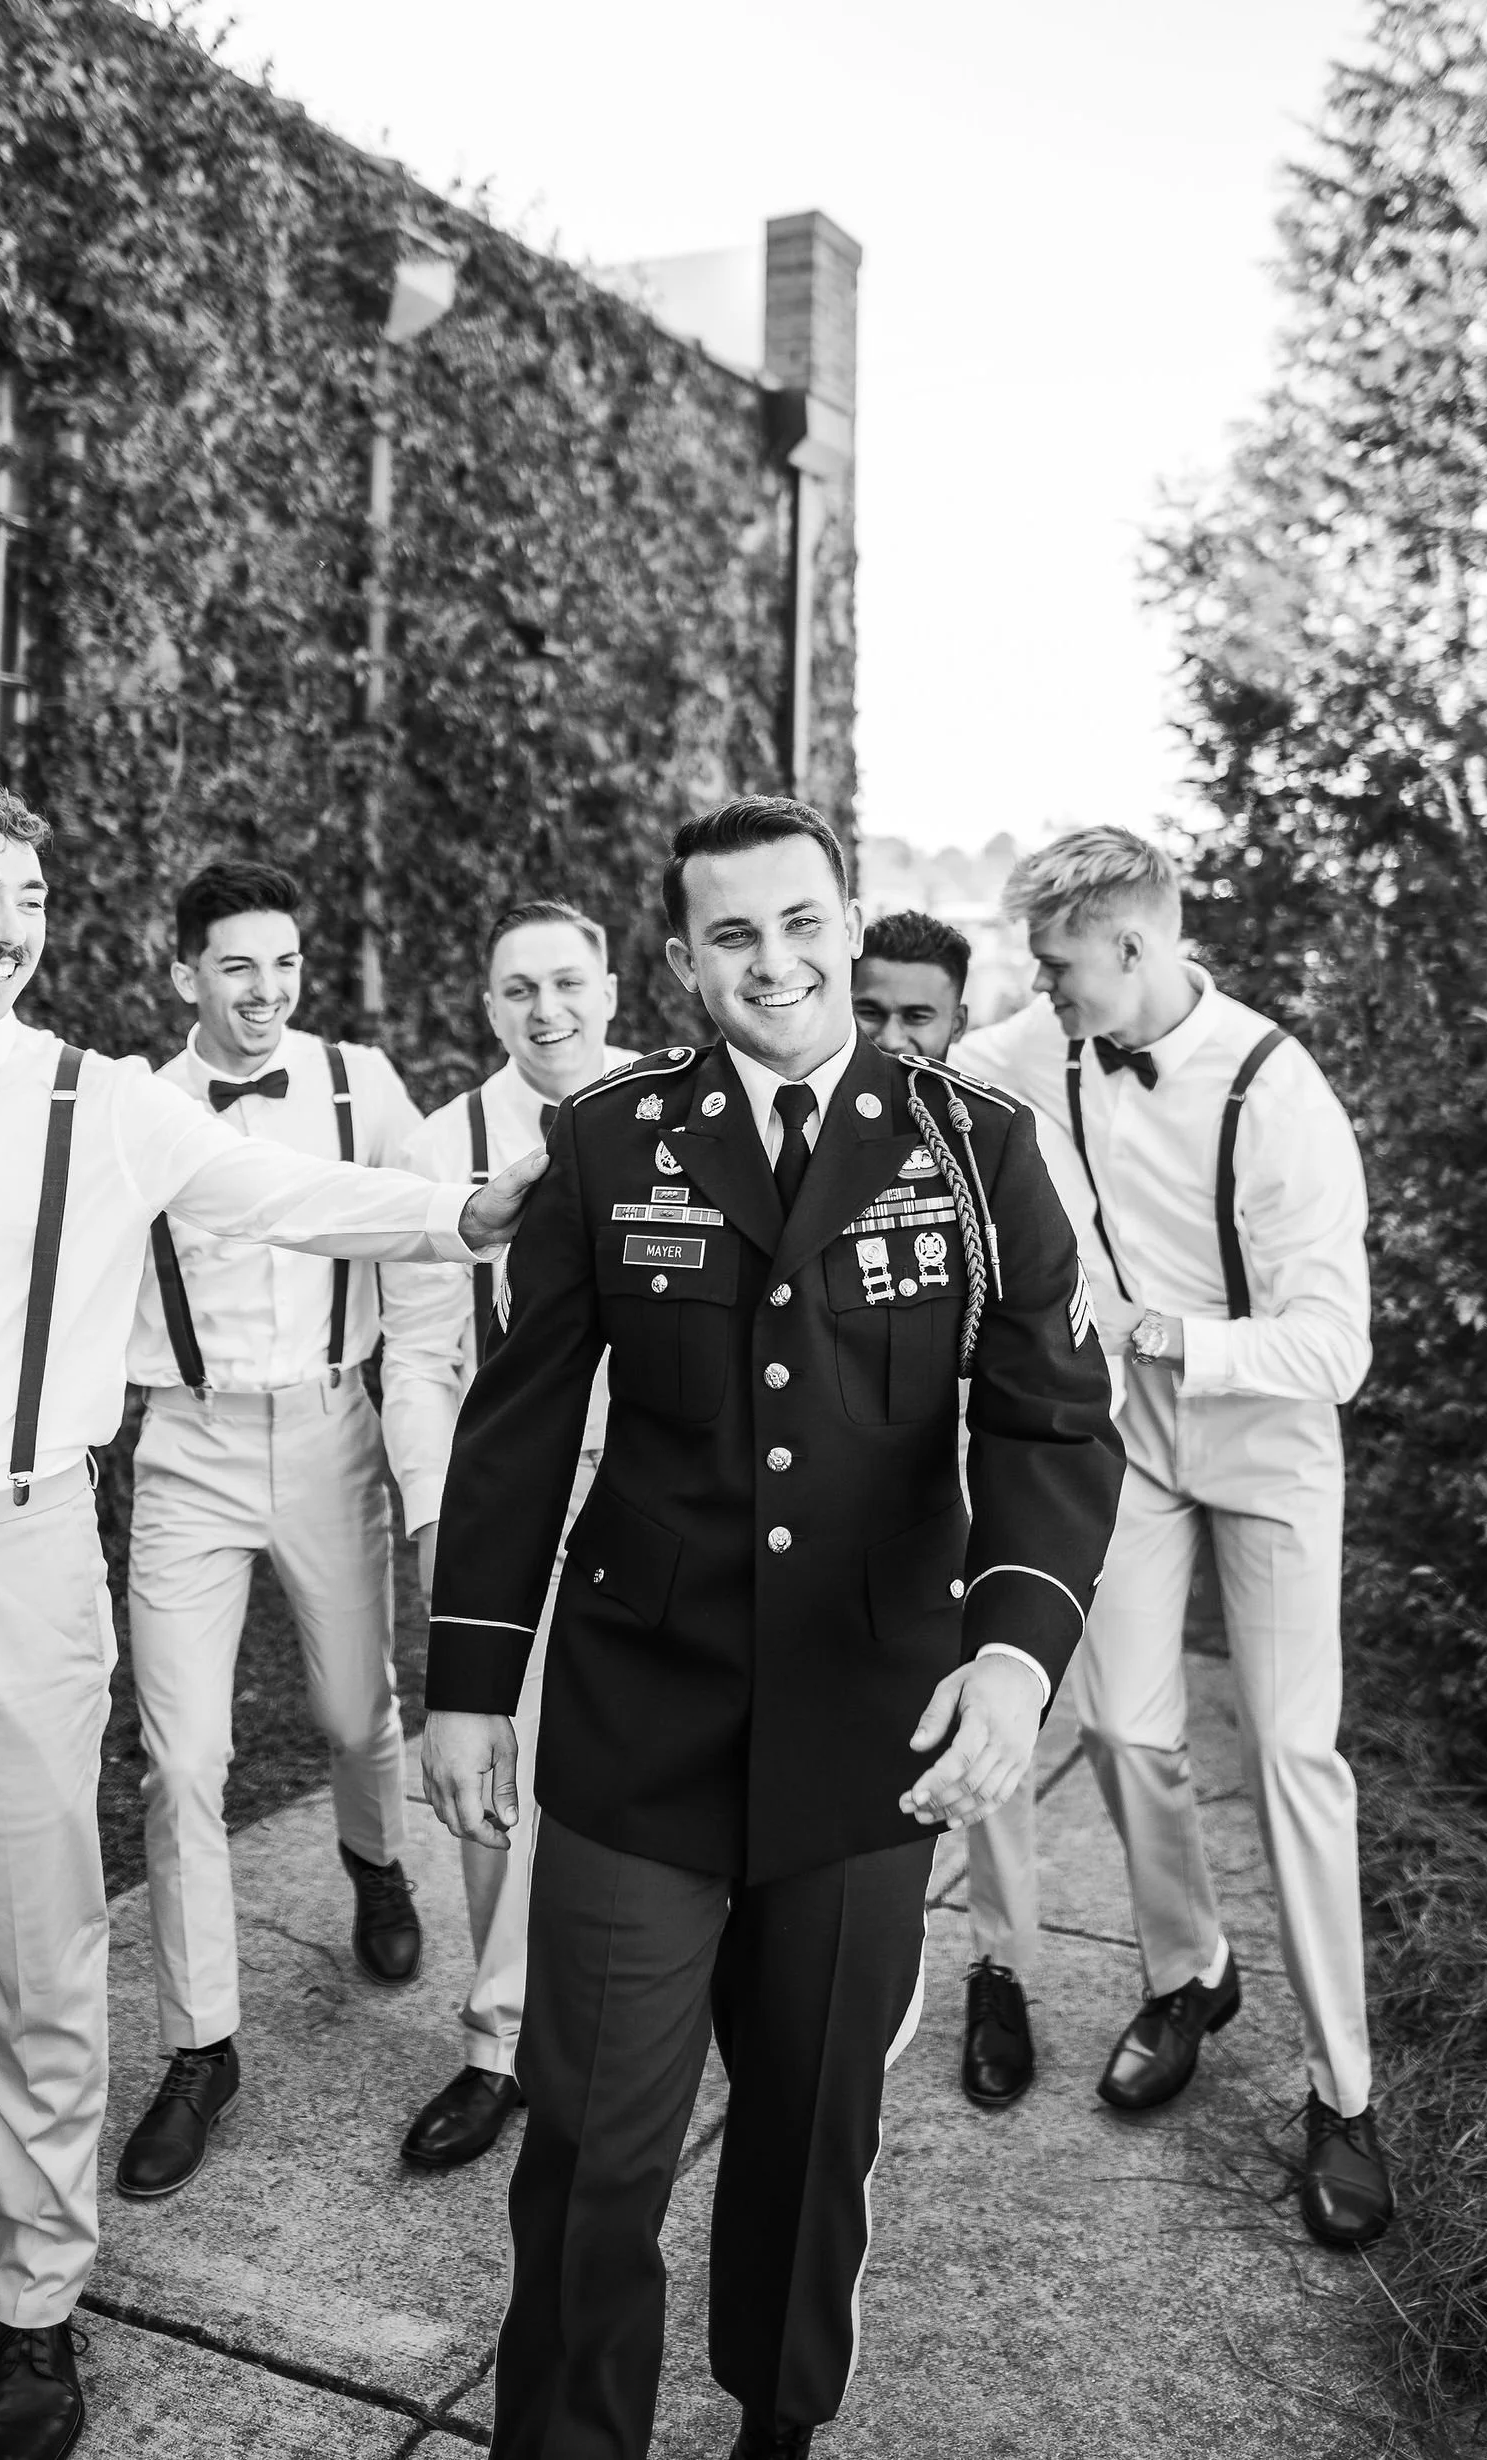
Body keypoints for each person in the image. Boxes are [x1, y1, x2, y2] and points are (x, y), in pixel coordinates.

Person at [0, 787, 542, 2460]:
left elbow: (283, 1190)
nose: (12, 922)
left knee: (42, 1966)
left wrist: (458, 1210)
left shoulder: (100, 1103)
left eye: (30, 892)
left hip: (20, 1569)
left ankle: (35, 2307)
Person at [422, 794, 1123, 2460]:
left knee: (815, 2126)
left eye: (801, 921)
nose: (776, 959)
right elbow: (517, 1426)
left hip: (867, 1723)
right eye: (732, 932)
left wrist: (1014, 1650)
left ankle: (779, 2418)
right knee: (592, 2140)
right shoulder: (607, 1140)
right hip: (635, 1719)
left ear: (844, 917)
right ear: (679, 958)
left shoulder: (975, 1144)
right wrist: (464, 1683)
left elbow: (1045, 1422)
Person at [959, 824, 1393, 2249]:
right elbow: (924, 1076)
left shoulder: (1280, 1092)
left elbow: (1338, 1352)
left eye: (1061, 962)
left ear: (1135, 949)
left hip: (1265, 1429)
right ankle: (1189, 1970)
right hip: (1128, 1438)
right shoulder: (1040, 1046)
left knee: (1286, 1754)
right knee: (1129, 1728)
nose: (1044, 986)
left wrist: (1172, 1336)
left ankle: (1345, 2093)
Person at [113, 858, 430, 2206]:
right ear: (183, 972)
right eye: (236, 965)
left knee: (358, 1715)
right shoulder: (132, 1109)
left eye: (284, 963)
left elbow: (439, 1239)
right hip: (185, 1446)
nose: (264, 990)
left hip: (327, 1427)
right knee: (182, 1761)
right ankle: (201, 2049)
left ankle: (375, 1856)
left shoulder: (359, 1085)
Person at [380, 898, 632, 2172]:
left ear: (611, 985)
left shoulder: (674, 1106)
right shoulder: (443, 1143)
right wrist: (437, 1515)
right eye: (520, 990)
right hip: (517, 1492)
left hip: (654, 1485)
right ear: (489, 1008)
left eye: (569, 982)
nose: (549, 1010)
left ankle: (635, 2015)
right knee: (493, 1763)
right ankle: (498, 2040)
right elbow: (421, 1360)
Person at [852, 908, 1044, 2116]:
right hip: (859, 1490)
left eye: (915, 1014)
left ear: (958, 1019)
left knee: (990, 1711)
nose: (889, 1035)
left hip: (979, 1466)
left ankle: (1001, 1967)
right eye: (870, 1011)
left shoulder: (992, 1137)